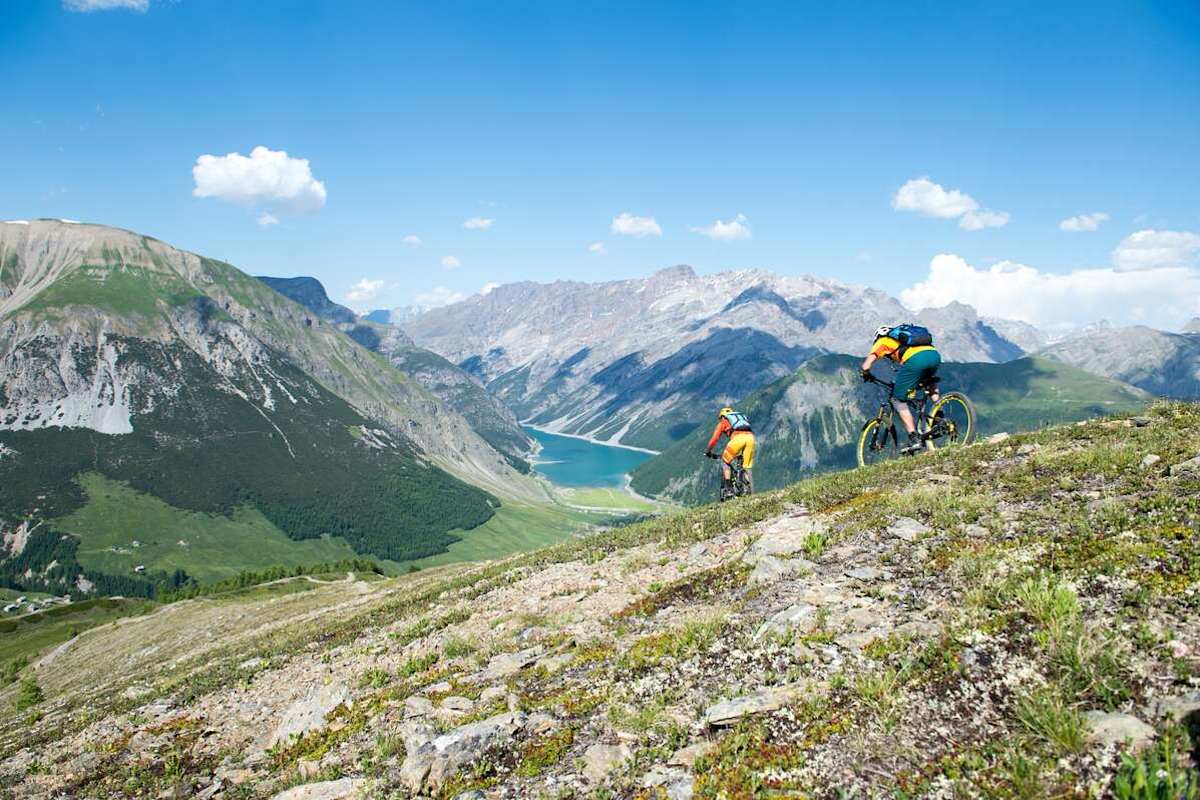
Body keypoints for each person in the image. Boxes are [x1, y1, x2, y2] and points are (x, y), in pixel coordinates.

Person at [861, 324, 942, 454]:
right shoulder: (907, 340)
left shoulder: (882, 341)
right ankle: (940, 417)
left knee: (897, 399)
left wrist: (865, 373)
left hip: (915, 360)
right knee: (929, 383)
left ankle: (913, 437)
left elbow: (866, 366)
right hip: (934, 355)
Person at [703, 406, 755, 496]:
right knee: (746, 466)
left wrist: (708, 451)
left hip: (738, 440)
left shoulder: (723, 422)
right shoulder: (739, 419)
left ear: (722, 416)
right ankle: (747, 487)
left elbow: (714, 439)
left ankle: (728, 489)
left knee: (725, 461)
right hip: (751, 438)